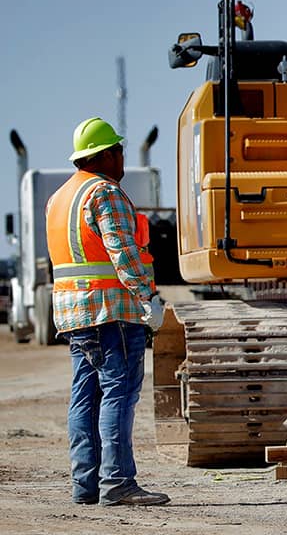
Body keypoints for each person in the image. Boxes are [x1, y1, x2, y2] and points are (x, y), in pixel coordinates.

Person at [47, 117, 169, 506]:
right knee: (118, 393)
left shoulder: (59, 197)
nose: (122, 159)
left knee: (85, 398)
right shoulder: (104, 192)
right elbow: (123, 253)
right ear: (104, 155)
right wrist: (147, 297)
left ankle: (86, 485)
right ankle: (117, 482)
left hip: (74, 315)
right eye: (118, 151)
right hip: (109, 310)